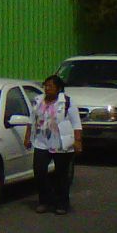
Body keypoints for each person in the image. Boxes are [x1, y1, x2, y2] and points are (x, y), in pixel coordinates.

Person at [24, 74, 82, 215]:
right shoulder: (38, 101)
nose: (47, 89)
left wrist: (78, 141)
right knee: (39, 171)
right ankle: (44, 200)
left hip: (61, 144)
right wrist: (27, 137)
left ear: (58, 88)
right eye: (46, 86)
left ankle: (61, 203)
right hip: (41, 142)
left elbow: (76, 123)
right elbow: (31, 120)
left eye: (51, 86)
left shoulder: (67, 102)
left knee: (61, 174)